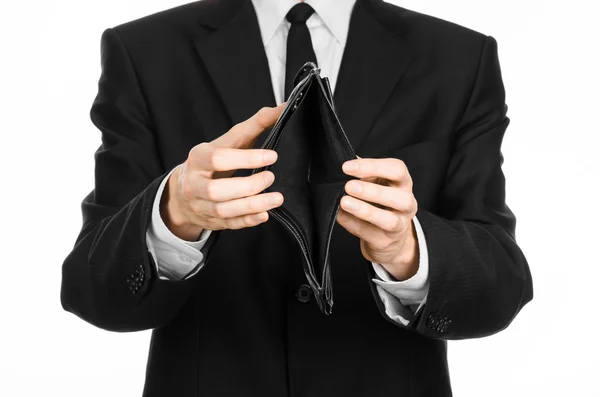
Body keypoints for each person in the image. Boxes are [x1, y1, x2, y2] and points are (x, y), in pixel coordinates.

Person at [60, 0, 533, 395]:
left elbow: (502, 288)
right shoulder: (145, 51)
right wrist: (173, 214)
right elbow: (92, 291)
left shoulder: (458, 57)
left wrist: (408, 251)